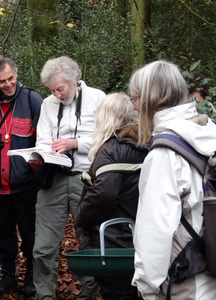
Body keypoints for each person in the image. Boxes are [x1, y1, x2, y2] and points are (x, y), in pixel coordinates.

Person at [130, 60, 216, 299]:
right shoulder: (209, 133)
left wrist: (147, 288)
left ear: (150, 101)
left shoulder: (165, 154)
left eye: (135, 99)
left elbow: (154, 232)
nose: (135, 108)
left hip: (186, 280)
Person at [32, 56, 105, 300]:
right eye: (52, 90)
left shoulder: (98, 99)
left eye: (60, 89)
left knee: (87, 241)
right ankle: (44, 295)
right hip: (54, 178)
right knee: (43, 244)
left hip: (85, 178)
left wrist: (75, 143)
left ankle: (88, 293)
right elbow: (42, 138)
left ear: (75, 80)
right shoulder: (47, 104)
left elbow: (106, 139)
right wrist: (43, 152)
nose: (57, 94)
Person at [0, 55, 43, 296]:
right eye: (2, 81)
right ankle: (8, 275)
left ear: (17, 74)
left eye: (11, 78)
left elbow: (44, 141)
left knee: (30, 234)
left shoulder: (33, 100)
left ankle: (32, 276)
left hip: (26, 186)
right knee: (4, 234)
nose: (8, 84)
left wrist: (37, 170)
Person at [75, 93, 147, 300]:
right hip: (139, 236)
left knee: (117, 293)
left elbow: (103, 195)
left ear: (106, 117)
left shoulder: (112, 150)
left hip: (115, 243)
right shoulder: (144, 144)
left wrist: (81, 217)